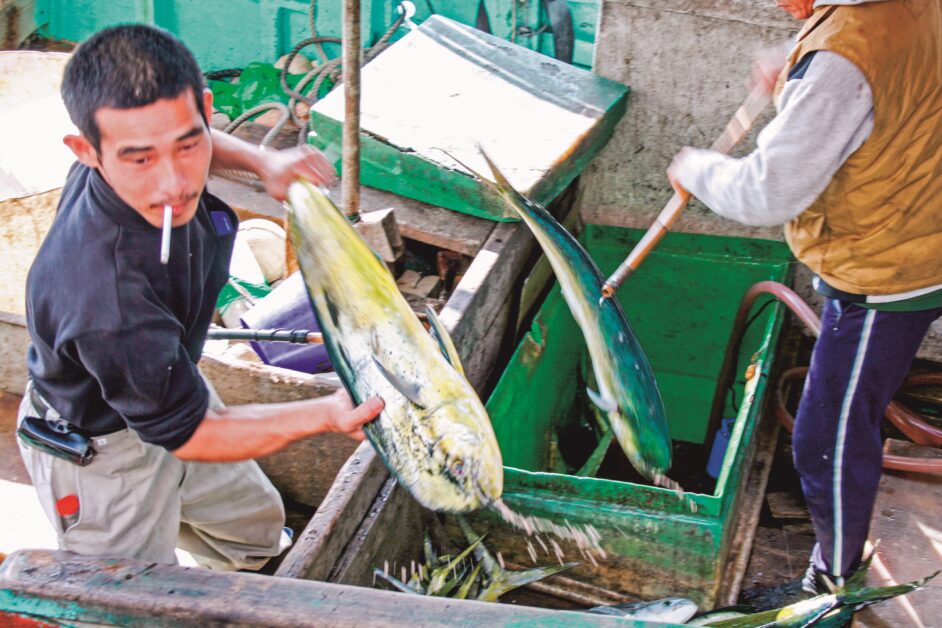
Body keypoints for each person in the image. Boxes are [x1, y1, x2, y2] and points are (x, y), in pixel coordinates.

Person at [17, 24, 384, 571]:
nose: (174, 183)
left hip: (173, 382)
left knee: (256, 531)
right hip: (102, 450)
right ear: (86, 152)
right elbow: (191, 435)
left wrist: (264, 161)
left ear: (206, 110)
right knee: (130, 598)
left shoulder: (134, 147)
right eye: (141, 160)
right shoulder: (107, 299)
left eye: (187, 145)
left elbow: (178, 143)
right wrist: (326, 414)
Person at [667, 0, 942, 594]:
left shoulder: (844, 57)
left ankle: (833, 582)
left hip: (888, 268)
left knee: (827, 438)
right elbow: (879, 84)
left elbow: (769, 192)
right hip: (920, 227)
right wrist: (799, 74)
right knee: (842, 414)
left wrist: (696, 170)